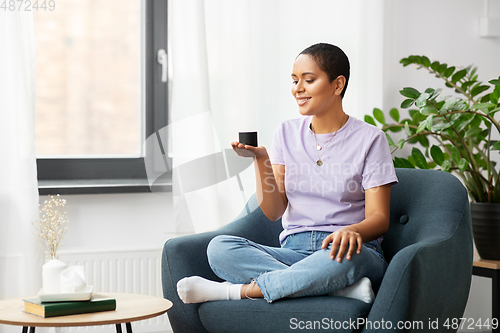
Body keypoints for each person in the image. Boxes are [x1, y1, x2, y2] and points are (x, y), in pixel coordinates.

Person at [177, 43, 398, 304]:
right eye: (294, 81)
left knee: (351, 258)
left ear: (338, 85)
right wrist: (261, 160)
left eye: (308, 80)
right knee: (220, 248)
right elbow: (273, 211)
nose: (298, 89)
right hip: (294, 251)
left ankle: (233, 292)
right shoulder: (286, 133)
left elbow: (379, 218)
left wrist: (354, 232)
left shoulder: (371, 139)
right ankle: (333, 288)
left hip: (345, 250)